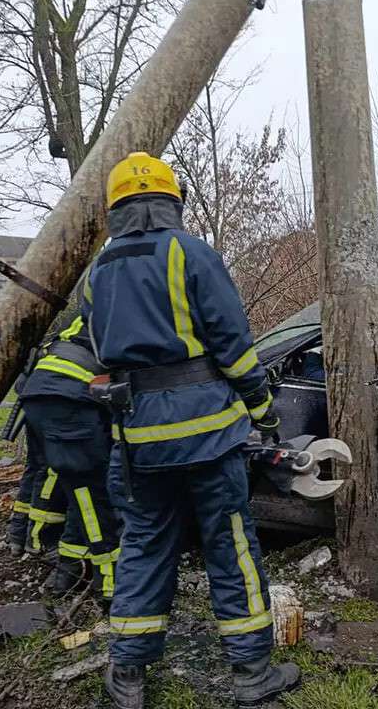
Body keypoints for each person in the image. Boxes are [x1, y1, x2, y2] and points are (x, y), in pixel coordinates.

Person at [82, 152, 298, 709]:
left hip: (136, 440)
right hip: (208, 436)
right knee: (231, 544)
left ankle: (126, 674)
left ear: (116, 210)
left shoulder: (98, 273)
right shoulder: (192, 254)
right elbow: (233, 345)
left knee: (146, 543)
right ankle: (251, 674)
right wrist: (264, 412)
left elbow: (100, 352)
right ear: (171, 203)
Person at [16, 279, 122, 608]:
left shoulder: (88, 315)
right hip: (69, 400)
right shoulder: (127, 319)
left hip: (39, 393)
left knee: (62, 476)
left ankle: (53, 553)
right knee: (93, 492)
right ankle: (110, 583)